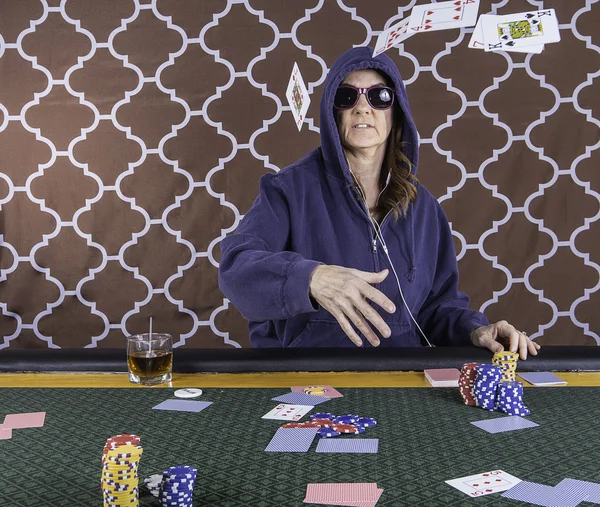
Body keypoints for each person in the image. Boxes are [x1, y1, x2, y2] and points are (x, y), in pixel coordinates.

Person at [218, 46, 541, 360]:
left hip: (401, 378)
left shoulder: (424, 208)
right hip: (305, 375)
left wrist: (474, 331)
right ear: (332, 112)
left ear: (396, 111)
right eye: (347, 97)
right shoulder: (287, 190)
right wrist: (311, 278)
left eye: (379, 96)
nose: (363, 108)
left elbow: (437, 310)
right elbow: (235, 268)